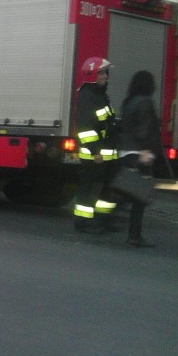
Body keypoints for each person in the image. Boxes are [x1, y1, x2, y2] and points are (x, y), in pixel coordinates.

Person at [117, 70, 163, 247]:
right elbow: (145, 128)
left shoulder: (128, 102)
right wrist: (146, 151)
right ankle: (134, 236)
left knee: (130, 190)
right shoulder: (146, 102)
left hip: (126, 151)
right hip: (139, 153)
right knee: (139, 197)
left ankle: (114, 217)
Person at [73, 57, 119, 233]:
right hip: (94, 154)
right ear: (92, 74)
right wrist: (95, 151)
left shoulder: (100, 94)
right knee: (89, 189)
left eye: (105, 73)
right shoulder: (87, 95)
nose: (105, 76)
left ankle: (103, 221)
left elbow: (107, 121)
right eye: (101, 73)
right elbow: (85, 128)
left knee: (106, 188)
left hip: (107, 152)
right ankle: (83, 223)